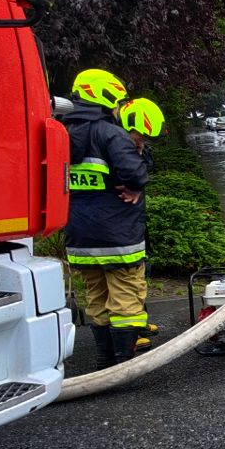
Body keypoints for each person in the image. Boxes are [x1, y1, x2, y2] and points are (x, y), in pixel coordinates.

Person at [61, 69, 150, 365]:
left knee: (96, 298)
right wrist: (136, 185)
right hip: (117, 236)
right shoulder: (110, 133)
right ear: (106, 97)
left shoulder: (57, 132)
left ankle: (104, 361)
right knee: (126, 298)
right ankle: (124, 366)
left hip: (79, 235)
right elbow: (134, 174)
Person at [117, 98, 167, 354]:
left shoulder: (133, 147)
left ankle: (139, 323)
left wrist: (138, 152)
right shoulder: (111, 144)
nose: (143, 141)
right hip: (117, 226)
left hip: (132, 223)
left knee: (138, 274)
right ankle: (128, 337)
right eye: (141, 136)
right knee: (124, 283)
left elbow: (145, 167)